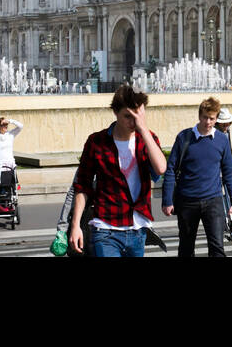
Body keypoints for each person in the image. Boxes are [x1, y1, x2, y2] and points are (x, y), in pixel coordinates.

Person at [70, 85, 166, 257]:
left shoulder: (147, 139)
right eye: (128, 116)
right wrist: (75, 225)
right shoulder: (96, 142)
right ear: (115, 112)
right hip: (105, 228)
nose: (133, 122)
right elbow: (82, 186)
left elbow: (160, 169)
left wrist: (143, 129)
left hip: (138, 229)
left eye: (138, 116)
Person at [161, 98, 232, 257]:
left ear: (216, 118)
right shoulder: (184, 137)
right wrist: (167, 200)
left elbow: (229, 171)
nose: (208, 122)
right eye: (205, 117)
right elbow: (170, 169)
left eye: (212, 118)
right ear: (199, 116)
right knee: (186, 247)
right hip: (187, 201)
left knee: (217, 247)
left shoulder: (222, 140)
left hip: (213, 201)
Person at [0, 117, 23, 214]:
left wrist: (10, 121)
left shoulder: (10, 135)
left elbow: (20, 126)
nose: (5, 126)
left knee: (11, 185)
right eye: (2, 125)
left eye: (6, 125)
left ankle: (10, 203)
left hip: (10, 164)